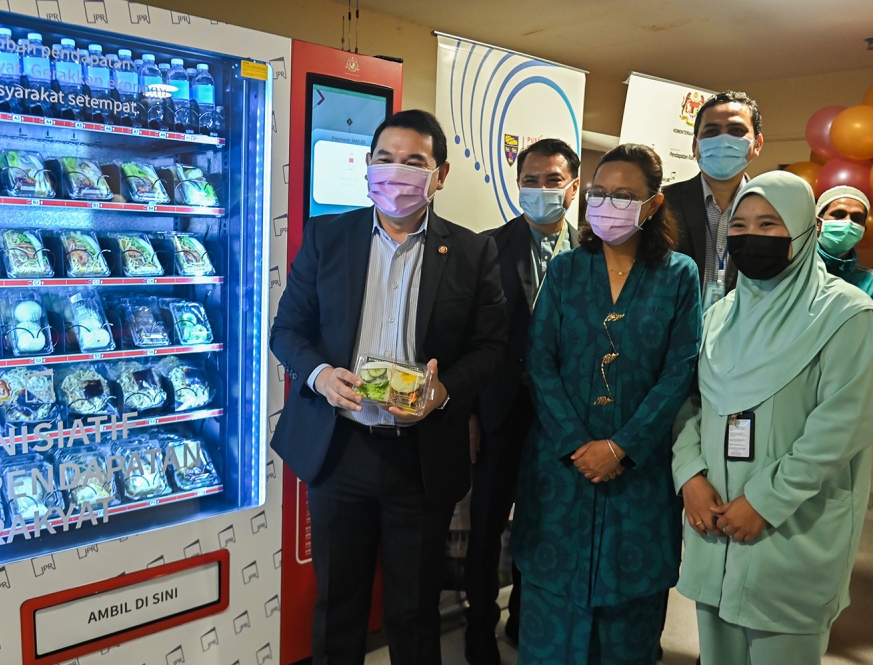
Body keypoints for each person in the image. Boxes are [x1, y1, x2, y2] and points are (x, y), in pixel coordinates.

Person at [269, 109, 507, 665]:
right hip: (340, 447)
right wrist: (321, 376)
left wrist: (442, 393)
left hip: (419, 459)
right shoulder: (330, 237)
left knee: (414, 611)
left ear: (440, 175)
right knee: (339, 605)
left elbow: (493, 349)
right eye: (385, 159)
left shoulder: (472, 253)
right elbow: (288, 331)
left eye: (413, 162)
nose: (396, 173)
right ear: (367, 166)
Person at [672, 171, 873, 665]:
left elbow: (839, 430)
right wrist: (689, 476)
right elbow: (689, 405)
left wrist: (765, 502)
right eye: (742, 225)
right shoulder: (719, 317)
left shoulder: (850, 317)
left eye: (769, 224)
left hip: (790, 530)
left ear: (802, 231)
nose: (752, 237)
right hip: (714, 522)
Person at [511, 143, 702, 664]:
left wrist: (621, 446)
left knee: (629, 608)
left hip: (637, 475)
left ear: (653, 204)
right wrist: (577, 442)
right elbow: (540, 359)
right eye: (598, 193)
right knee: (552, 601)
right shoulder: (569, 269)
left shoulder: (679, 275)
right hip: (560, 466)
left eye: (624, 195)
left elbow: (680, 368)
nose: (607, 204)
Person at [464, 138, 580, 665]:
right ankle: (478, 628)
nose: (539, 190)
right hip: (498, 411)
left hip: (565, 418)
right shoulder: (485, 247)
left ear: (573, 187)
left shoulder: (594, 252)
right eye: (529, 181)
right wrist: (466, 411)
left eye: (552, 180)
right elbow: (462, 337)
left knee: (545, 520)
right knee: (487, 525)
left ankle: (526, 616)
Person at [665, 90, 764, 310]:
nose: (723, 140)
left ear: (757, 144)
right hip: (675, 335)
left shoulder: (775, 210)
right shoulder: (662, 203)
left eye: (736, 131)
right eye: (711, 131)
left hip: (745, 336)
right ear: (695, 146)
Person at [815, 185, 873, 330]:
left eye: (857, 218)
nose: (848, 222)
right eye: (838, 214)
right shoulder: (792, 270)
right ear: (818, 224)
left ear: (864, 230)